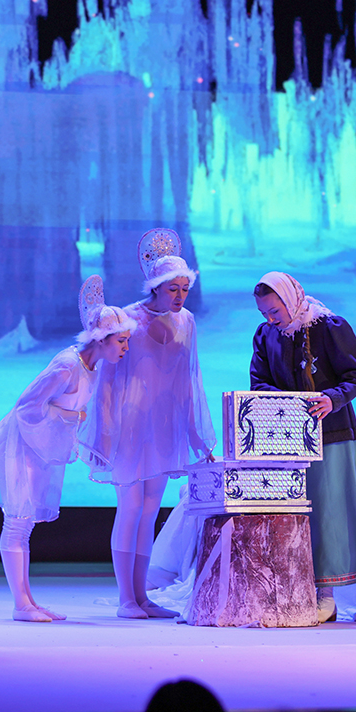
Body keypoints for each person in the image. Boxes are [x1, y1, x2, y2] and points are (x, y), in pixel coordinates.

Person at [0, 275, 136, 622]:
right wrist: (72, 417)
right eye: (121, 340)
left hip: (42, 445)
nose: (125, 347)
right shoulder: (67, 365)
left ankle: (28, 601)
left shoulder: (92, 367)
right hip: (24, 442)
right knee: (17, 520)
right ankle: (20, 605)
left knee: (25, 524)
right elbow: (26, 407)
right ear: (102, 339)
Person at [83, 228, 216, 619]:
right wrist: (103, 433)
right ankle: (126, 598)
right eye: (173, 289)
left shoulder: (186, 321)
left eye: (184, 289)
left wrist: (196, 434)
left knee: (150, 510)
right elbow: (107, 382)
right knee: (130, 507)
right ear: (156, 287)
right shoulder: (127, 319)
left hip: (164, 427)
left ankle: (142, 597)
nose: (179, 296)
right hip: (130, 425)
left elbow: (189, 380)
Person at [251, 272, 356, 622]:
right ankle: (293, 589)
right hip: (286, 437)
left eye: (275, 310)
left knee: (328, 513)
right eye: (264, 312)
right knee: (292, 515)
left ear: (290, 299)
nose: (270, 318)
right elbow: (259, 381)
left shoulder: (328, 327)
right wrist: (287, 403)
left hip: (332, 435)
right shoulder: (266, 335)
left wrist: (331, 398)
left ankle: (325, 595)